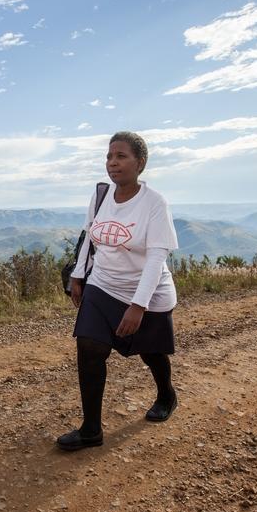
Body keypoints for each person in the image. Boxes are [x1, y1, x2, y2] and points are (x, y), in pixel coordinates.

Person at [57, 131, 179, 452]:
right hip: (103, 285)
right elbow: (89, 239)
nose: (113, 163)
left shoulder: (154, 203)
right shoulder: (101, 196)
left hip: (146, 293)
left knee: (151, 352)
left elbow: (156, 257)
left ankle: (166, 393)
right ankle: (91, 430)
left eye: (121, 156)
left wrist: (138, 305)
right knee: (89, 347)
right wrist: (79, 275)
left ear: (140, 163)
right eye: (109, 156)